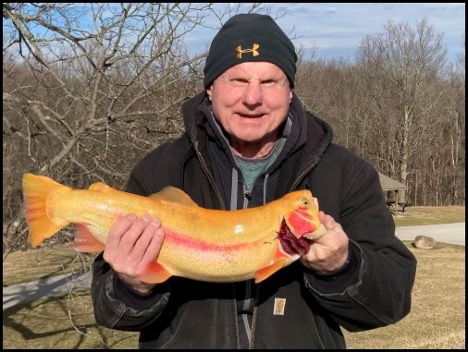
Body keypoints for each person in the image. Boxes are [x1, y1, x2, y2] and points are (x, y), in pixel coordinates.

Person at [91, 13, 417, 349]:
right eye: (237, 80)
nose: (252, 98)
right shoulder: (159, 171)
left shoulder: (346, 174)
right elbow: (110, 313)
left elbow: (390, 302)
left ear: (290, 91)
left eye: (270, 82)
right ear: (210, 87)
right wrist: (133, 285)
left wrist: (342, 268)